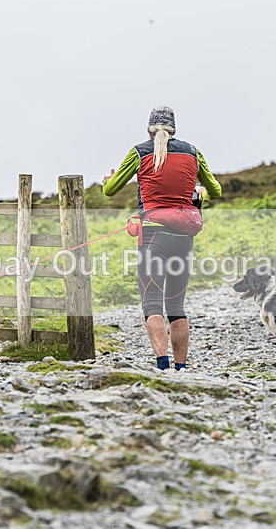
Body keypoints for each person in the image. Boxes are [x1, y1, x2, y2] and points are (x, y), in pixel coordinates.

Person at [103, 107, 222, 371]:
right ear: (174, 130)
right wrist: (200, 194)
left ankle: (162, 364)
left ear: (149, 129)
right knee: (176, 304)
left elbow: (110, 191)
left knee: (152, 302)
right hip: (183, 239)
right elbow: (216, 189)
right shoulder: (193, 152)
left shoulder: (139, 152)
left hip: (153, 238)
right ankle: (182, 367)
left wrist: (108, 181)